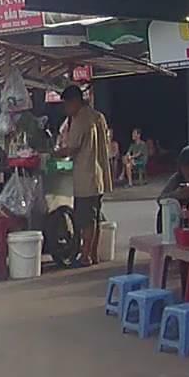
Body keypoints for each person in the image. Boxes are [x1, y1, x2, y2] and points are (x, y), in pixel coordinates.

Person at [54, 85, 112, 267]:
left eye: (66, 105)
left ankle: (86, 256)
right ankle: (93, 254)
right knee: (94, 217)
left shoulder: (80, 119)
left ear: (75, 101)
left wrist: (54, 153)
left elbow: (72, 148)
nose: (66, 109)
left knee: (86, 219)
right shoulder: (98, 116)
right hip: (98, 175)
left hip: (85, 176)